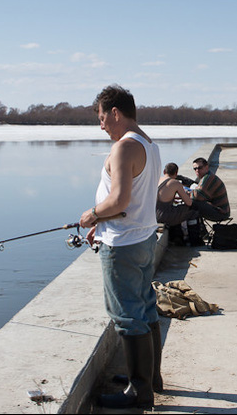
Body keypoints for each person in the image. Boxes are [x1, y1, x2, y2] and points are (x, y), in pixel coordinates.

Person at [79, 85, 163, 409]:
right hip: (143, 238)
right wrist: (102, 223)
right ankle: (149, 379)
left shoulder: (123, 147)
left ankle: (139, 392)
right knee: (145, 307)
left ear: (115, 113)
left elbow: (120, 200)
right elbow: (137, 199)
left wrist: (92, 215)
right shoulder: (149, 144)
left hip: (124, 245)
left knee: (127, 316)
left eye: (102, 118)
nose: (101, 126)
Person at [188, 157, 230, 222]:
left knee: (192, 203)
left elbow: (198, 196)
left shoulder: (208, 178)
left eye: (199, 168)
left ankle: (193, 229)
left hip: (221, 212)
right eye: (195, 169)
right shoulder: (208, 176)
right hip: (221, 211)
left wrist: (183, 193)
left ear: (206, 167)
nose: (197, 170)